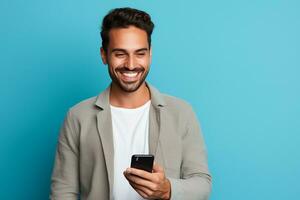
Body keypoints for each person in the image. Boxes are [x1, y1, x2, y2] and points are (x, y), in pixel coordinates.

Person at [50, 7, 212, 200]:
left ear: (150, 53)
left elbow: (202, 184)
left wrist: (168, 190)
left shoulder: (181, 112)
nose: (131, 64)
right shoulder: (78, 116)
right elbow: (63, 191)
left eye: (140, 53)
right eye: (120, 54)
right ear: (104, 54)